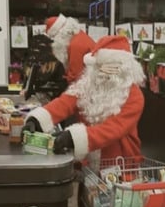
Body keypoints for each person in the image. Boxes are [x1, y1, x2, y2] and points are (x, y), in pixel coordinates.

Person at [23, 35, 145, 163]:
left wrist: (73, 137)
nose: (103, 73)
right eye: (99, 67)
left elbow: (114, 129)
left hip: (120, 164)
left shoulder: (133, 95)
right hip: (90, 162)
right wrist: (36, 120)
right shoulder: (87, 84)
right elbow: (65, 103)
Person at [46, 13, 96, 84]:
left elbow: (75, 77)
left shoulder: (75, 45)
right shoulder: (78, 35)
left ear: (61, 35)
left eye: (54, 38)